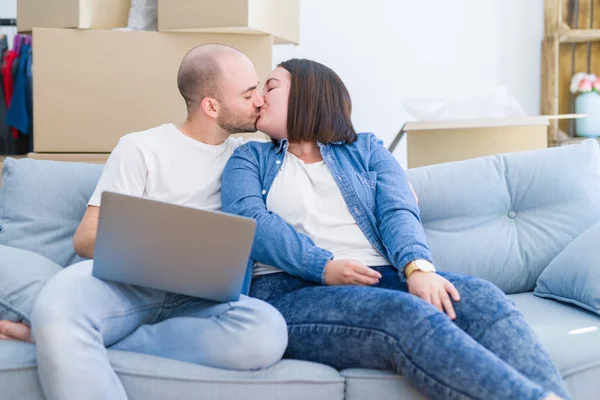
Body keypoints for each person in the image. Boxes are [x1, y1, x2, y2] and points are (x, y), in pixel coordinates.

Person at [221, 58, 571, 400]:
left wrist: (417, 267)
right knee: (404, 313)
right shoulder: (249, 158)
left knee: (482, 297)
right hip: (290, 292)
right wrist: (323, 267)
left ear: (308, 94)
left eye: (271, 87)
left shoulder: (366, 148)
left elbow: (397, 209)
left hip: (382, 277)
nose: (259, 98)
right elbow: (251, 220)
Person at [0, 44, 288, 400]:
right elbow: (86, 238)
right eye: (248, 94)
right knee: (58, 304)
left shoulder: (247, 160)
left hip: (200, 299)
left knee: (265, 332)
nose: (260, 100)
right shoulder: (141, 148)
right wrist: (160, 251)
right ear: (211, 106)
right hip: (126, 286)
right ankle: (63, 335)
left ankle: (77, 343)